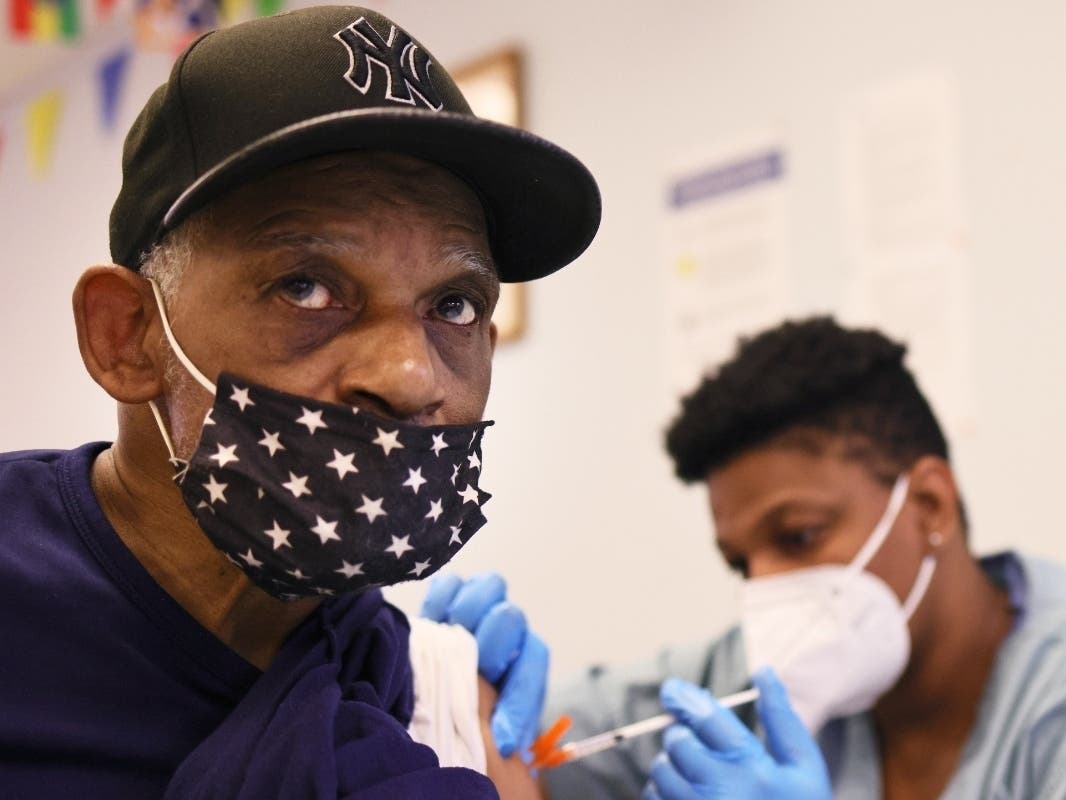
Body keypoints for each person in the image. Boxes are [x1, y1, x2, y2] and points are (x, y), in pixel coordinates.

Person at [0, 5, 599, 799]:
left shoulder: (434, 704)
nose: (410, 378)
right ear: (128, 337)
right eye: (307, 287)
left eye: (453, 304)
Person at [530, 317, 1066, 799]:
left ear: (931, 506)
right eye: (740, 564)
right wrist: (466, 670)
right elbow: (529, 743)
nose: (766, 589)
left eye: (799, 536)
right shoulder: (747, 674)